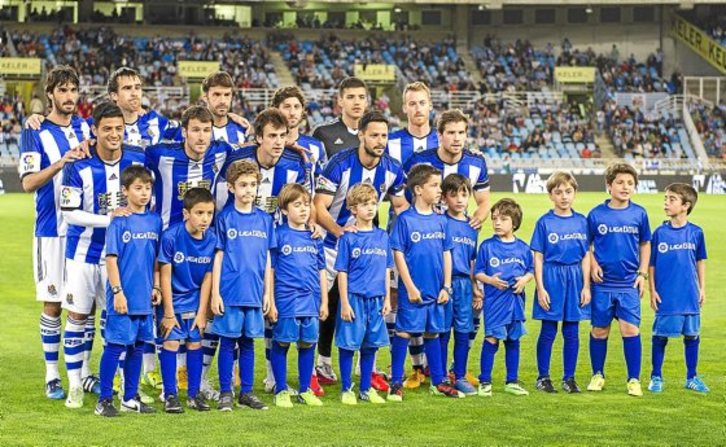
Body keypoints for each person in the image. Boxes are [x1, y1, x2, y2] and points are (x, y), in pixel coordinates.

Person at [60, 101, 146, 409]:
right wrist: (108, 219)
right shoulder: (77, 164)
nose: (114, 134)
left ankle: (121, 387)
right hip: (83, 254)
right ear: (94, 130)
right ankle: (74, 386)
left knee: (116, 320)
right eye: (107, 128)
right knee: (78, 317)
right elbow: (69, 212)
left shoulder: (137, 158)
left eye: (119, 128)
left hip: (121, 259)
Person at [314, 111, 408, 392]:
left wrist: (392, 238)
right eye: (374, 135)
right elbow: (319, 206)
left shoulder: (391, 168)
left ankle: (365, 368)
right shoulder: (339, 163)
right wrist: (341, 233)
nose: (380, 141)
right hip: (331, 245)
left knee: (370, 302)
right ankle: (321, 363)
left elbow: (401, 206)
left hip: (367, 248)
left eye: (384, 135)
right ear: (361, 135)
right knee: (323, 305)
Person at [402, 109, 491, 389]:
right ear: (439, 135)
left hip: (461, 268)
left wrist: (478, 217)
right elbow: (405, 200)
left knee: (461, 324)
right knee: (424, 319)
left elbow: (484, 202)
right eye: (450, 132)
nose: (456, 138)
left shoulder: (476, 162)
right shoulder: (421, 161)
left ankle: (455, 373)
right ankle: (422, 370)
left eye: (461, 132)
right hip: (426, 258)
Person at [18, 65, 90, 400]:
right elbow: (28, 183)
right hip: (50, 230)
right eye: (62, 90)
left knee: (84, 306)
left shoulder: (85, 127)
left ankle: (84, 372)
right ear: (50, 94)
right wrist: (61, 162)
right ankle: (52, 375)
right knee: (53, 304)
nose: (69, 96)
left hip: (82, 231)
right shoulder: (34, 131)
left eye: (73, 89)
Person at [388, 164, 461, 402]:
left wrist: (447, 286)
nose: (439, 190)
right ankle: (395, 382)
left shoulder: (441, 221)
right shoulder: (405, 220)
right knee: (404, 332)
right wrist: (409, 286)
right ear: (418, 189)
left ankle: (438, 381)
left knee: (433, 332)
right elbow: (398, 253)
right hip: (413, 290)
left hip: (437, 289)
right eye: (434, 185)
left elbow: (447, 253)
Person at [94, 165, 161, 417]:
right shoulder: (118, 222)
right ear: (125, 190)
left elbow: (155, 259)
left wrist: (156, 286)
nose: (144, 193)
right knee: (114, 347)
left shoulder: (155, 220)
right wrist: (117, 292)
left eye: (147, 188)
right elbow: (111, 260)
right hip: (123, 297)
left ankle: (130, 398)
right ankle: (104, 400)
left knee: (138, 347)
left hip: (144, 297)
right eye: (138, 188)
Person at [209, 159, 276, 411]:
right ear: (231, 187)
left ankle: (246, 392)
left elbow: (268, 259)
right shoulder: (225, 218)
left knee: (249, 343)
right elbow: (218, 256)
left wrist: (267, 293)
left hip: (255, 292)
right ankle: (226, 392)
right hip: (230, 291)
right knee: (228, 343)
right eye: (243, 185)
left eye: (252, 185)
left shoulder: (265, 220)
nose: (249, 190)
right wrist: (215, 293)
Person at [386, 82, 438, 383]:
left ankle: (428, 366)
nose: (418, 108)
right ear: (404, 108)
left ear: (430, 105)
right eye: (412, 103)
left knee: (431, 296)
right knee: (398, 298)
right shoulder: (391, 143)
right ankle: (406, 367)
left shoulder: (443, 140)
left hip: (434, 236)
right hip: (400, 231)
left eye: (422, 102)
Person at [587, 163, 651, 397]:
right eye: (620, 182)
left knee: (630, 330)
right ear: (609, 185)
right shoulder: (596, 214)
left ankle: (633, 379)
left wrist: (642, 273)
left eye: (630, 183)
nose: (625, 187)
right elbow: (586, 245)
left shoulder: (639, 214)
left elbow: (645, 244)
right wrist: (593, 263)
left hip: (628, 284)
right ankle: (597, 374)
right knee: (599, 331)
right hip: (602, 284)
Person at [157, 188, 217, 413]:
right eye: (199, 213)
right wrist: (168, 313)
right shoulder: (171, 237)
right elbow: (165, 275)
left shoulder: (212, 239)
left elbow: (208, 278)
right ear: (186, 213)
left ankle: (194, 394)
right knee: (171, 344)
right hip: (172, 302)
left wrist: (202, 313)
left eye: (209, 213)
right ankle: (170, 395)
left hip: (195, 302)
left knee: (195, 343)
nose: (205, 219)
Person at [530, 172, 591, 394]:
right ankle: (543, 377)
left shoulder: (582, 221)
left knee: (572, 331)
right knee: (548, 330)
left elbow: (586, 255)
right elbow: (538, 257)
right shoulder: (544, 222)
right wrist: (540, 288)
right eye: (558, 192)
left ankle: (569, 378)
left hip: (575, 277)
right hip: (552, 276)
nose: (564, 196)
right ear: (550, 195)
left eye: (568, 191)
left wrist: (586, 286)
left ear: (575, 193)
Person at [269, 184, 328, 408]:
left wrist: (324, 301)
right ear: (285, 210)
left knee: (308, 344)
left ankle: (305, 389)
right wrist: (271, 301)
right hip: (287, 300)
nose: (304, 209)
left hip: (311, 300)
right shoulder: (279, 235)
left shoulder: (315, 237)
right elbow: (271, 270)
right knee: (282, 342)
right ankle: (281, 389)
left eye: (306, 204)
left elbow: (321, 270)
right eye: (297, 205)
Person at [334, 183, 393, 405]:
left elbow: (387, 269)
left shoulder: (382, 237)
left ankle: (366, 388)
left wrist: (387, 298)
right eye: (364, 204)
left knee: (371, 345)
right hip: (354, 299)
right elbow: (342, 272)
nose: (370, 208)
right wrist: (345, 302)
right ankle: (347, 388)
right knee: (349, 344)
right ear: (353, 209)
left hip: (376, 300)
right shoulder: (348, 238)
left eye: (373, 203)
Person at [648, 183, 709, 393]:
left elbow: (700, 261)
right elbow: (652, 264)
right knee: (660, 336)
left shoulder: (696, 233)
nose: (666, 203)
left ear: (685, 205)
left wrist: (702, 288)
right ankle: (656, 376)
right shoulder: (659, 233)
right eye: (665, 198)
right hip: (667, 295)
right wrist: (652, 290)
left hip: (690, 294)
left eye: (671, 199)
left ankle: (692, 377)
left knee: (692, 335)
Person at [475, 199, 533, 397]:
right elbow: (478, 272)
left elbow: (531, 270)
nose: (497, 223)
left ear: (514, 223)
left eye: (503, 219)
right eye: (494, 219)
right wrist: (491, 281)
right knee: (491, 339)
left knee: (513, 340)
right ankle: (485, 381)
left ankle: (512, 381)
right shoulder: (487, 246)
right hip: (495, 302)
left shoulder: (523, 248)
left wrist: (524, 280)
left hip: (515, 302)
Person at [440, 174, 481, 396]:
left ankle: (460, 375)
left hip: (464, 284)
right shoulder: (440, 222)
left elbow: (472, 259)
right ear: (444, 197)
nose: (459, 199)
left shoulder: (472, 226)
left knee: (464, 330)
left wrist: (475, 288)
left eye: (464, 194)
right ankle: (442, 375)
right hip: (444, 284)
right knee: (443, 330)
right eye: (453, 194)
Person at [272, 86, 326, 180]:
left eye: (296, 107)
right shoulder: (264, 145)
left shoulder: (316, 146)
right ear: (276, 110)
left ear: (302, 111)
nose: (292, 113)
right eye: (287, 107)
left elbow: (322, 183)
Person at [313, 77, 368, 158]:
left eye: (361, 97)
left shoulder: (377, 133)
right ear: (340, 101)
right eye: (350, 97)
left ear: (366, 102)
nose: (357, 102)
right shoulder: (322, 132)